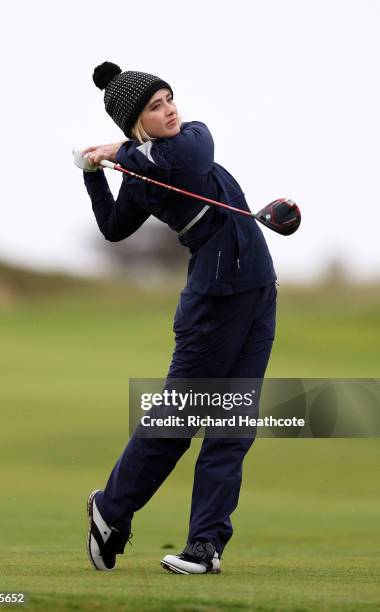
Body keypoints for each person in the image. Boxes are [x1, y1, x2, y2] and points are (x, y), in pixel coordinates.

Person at [79, 61, 277, 575]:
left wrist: (116, 151)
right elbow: (115, 227)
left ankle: (205, 546)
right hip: (214, 300)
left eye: (169, 99)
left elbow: (191, 146)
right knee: (179, 419)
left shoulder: (188, 141)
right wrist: (92, 176)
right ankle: (110, 509)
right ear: (136, 121)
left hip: (257, 291)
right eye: (154, 107)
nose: (170, 111)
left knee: (232, 425)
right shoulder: (146, 170)